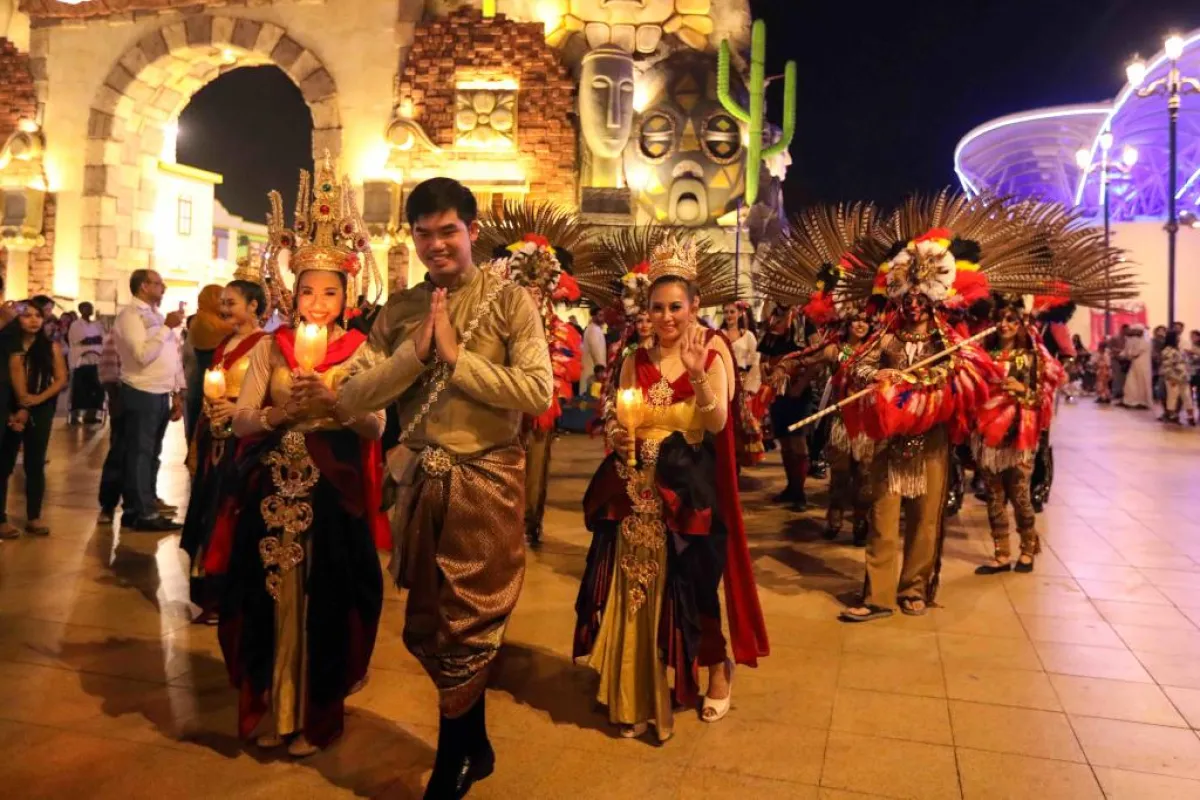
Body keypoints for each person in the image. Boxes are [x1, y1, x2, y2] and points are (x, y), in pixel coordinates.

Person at [325, 177, 553, 797]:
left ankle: (455, 756)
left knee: (467, 625)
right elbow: (350, 396)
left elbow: (538, 392)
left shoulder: (509, 302)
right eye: (424, 233)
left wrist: (459, 359)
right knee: (427, 626)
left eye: (448, 231)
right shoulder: (401, 310)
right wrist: (416, 354)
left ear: (472, 231)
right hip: (422, 483)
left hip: (486, 479)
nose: (436, 244)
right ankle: (474, 743)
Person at [217, 159, 388, 758]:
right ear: (293, 291)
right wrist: (277, 415)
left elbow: (377, 424)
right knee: (269, 593)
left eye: (330, 292)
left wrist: (336, 405)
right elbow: (241, 417)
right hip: (273, 487)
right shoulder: (272, 349)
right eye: (309, 290)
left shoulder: (361, 352)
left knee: (326, 597)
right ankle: (276, 704)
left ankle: (313, 714)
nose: (317, 303)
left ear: (347, 295)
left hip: (331, 491)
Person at [574, 237, 769, 742]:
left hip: (689, 487)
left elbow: (717, 421)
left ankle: (717, 667)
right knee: (639, 591)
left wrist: (699, 376)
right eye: (657, 307)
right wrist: (619, 433)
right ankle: (638, 686)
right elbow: (621, 412)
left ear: (694, 305)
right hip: (639, 489)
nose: (666, 317)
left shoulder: (712, 348)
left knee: (694, 586)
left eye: (675, 307)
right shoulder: (635, 356)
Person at [179, 269, 268, 623]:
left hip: (244, 441)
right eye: (222, 303)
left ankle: (230, 595)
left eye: (231, 303)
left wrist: (238, 409)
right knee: (207, 508)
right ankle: (207, 592)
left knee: (232, 511)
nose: (224, 309)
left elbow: (269, 394)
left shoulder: (266, 345)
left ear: (254, 306)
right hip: (214, 436)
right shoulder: (223, 344)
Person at [973, 296, 1065, 575]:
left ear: (1021, 323)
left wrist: (1021, 390)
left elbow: (1043, 395)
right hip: (987, 435)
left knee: (1020, 495)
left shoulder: (1031, 357)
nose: (1004, 324)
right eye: (1000, 319)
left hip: (1019, 435)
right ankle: (1001, 554)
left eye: (1011, 320)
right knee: (994, 496)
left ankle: (1027, 549)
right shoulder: (983, 356)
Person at [112, 269, 186, 531]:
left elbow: (172, 355)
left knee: (152, 453)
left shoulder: (156, 315)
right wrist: (166, 328)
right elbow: (142, 355)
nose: (163, 288)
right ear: (143, 286)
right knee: (140, 454)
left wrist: (177, 392)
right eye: (158, 283)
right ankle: (142, 512)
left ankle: (144, 504)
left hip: (160, 392)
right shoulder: (130, 316)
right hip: (141, 391)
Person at [0, 300, 68, 538]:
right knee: (4, 463)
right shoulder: (8, 346)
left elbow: (60, 378)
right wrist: (18, 407)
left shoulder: (50, 347)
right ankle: (1, 519)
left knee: (35, 463)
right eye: (26, 315)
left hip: (40, 409)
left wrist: (36, 400)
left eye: (37, 316)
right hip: (9, 408)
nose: (33, 321)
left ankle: (34, 517)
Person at [185, 285, 235, 443]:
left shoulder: (206, 319)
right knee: (202, 432)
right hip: (203, 384)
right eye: (221, 300)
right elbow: (232, 329)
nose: (224, 305)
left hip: (203, 382)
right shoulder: (206, 322)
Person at [67, 302, 106, 425]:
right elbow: (82, 340)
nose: (89, 310)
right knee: (81, 390)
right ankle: (77, 415)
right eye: (86, 308)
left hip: (97, 360)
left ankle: (93, 414)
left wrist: (94, 339)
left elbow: (102, 338)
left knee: (97, 389)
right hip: (81, 362)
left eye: (91, 308)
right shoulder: (76, 325)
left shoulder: (97, 324)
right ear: (81, 310)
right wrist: (94, 339)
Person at [1160, 330, 1195, 425]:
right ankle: (1172, 416)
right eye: (1177, 337)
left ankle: (1190, 417)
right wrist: (1171, 377)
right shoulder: (1167, 351)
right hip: (1173, 378)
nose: (1178, 339)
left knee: (1187, 397)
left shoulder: (1178, 349)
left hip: (1183, 377)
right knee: (1173, 397)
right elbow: (1167, 366)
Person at [1119, 325, 1153, 409]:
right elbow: (1128, 351)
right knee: (1131, 383)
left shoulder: (1145, 341)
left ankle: (1142, 402)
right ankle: (1130, 401)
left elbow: (1134, 352)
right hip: (1135, 364)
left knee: (1142, 383)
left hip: (1142, 365)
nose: (1133, 332)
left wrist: (1126, 355)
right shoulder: (1134, 339)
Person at [581, 308, 607, 395]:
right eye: (600, 315)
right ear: (593, 317)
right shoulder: (593, 330)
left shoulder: (595, 329)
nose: (602, 318)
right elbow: (596, 352)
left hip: (594, 370)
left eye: (603, 316)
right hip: (594, 371)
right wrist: (601, 372)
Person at [1094, 340, 1113, 404]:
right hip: (1101, 370)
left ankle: (1104, 398)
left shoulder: (1106, 354)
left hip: (1104, 371)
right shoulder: (1100, 354)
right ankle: (1104, 397)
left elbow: (1107, 364)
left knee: (1102, 385)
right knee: (1102, 385)